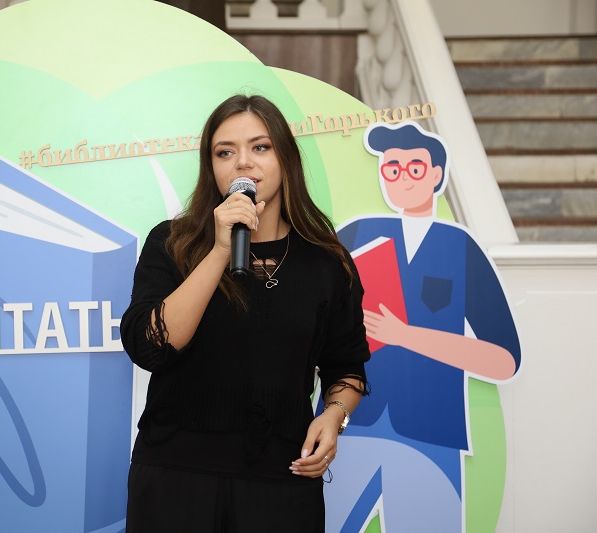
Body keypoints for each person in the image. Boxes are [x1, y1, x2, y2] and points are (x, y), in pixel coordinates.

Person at [120, 94, 370, 531]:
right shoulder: (172, 244)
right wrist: (220, 250)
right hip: (176, 477)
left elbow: (346, 367)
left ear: (285, 158)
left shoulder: (327, 263)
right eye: (225, 152)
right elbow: (151, 347)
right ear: (211, 167)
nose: (242, 162)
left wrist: (334, 417)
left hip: (282, 482)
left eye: (260, 146)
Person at [326, 121, 521, 532]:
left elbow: (504, 360)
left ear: (435, 175)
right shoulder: (355, 234)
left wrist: (405, 336)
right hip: (345, 427)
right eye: (392, 168)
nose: (402, 178)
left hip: (432, 436)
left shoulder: (461, 248)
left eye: (414, 168)